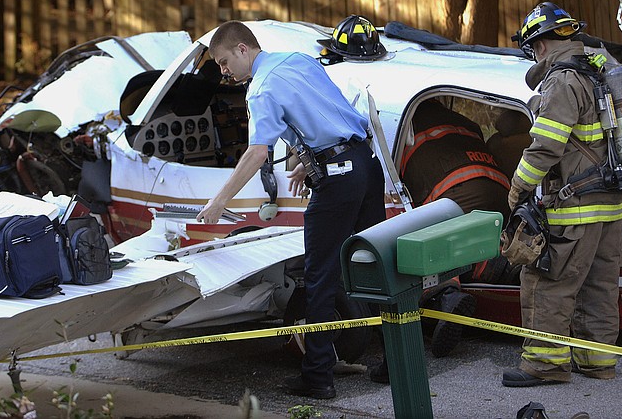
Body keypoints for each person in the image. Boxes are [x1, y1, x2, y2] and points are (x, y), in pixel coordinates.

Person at [197, 20, 386, 399]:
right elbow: (328, 111)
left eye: (222, 62)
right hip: (366, 164)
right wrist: (308, 156)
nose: (223, 72)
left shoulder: (260, 89)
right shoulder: (297, 60)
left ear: (242, 50)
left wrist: (219, 202)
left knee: (318, 276)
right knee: (375, 267)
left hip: (337, 179)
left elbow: (257, 152)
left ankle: (318, 377)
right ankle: (395, 362)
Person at [502, 2, 622, 387]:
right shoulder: (602, 72)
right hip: (609, 204)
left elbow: (546, 146)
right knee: (599, 286)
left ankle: (544, 364)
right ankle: (597, 361)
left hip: (574, 205)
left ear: (539, 45)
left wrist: (518, 187)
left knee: (550, 283)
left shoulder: (562, 81)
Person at [369, 97, 513, 383]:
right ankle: (498, 264)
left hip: (452, 193)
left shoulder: (402, 125)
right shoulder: (466, 122)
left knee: (427, 249)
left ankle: (446, 296)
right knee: (475, 240)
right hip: (499, 188)